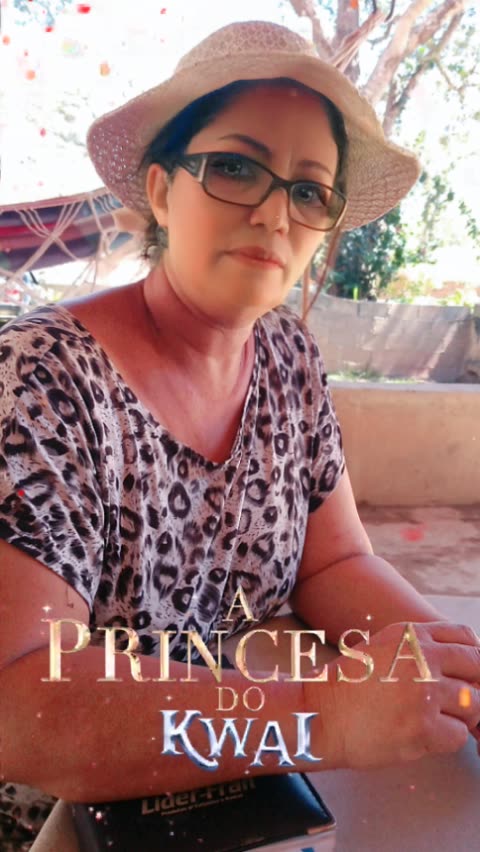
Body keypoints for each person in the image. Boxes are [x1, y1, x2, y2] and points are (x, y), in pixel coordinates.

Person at [0, 19, 479, 851]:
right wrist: (322, 713)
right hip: (68, 817)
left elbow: (335, 562)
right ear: (160, 190)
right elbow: (19, 702)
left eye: (309, 191)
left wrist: (446, 668)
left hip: (257, 775)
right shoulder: (40, 375)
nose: (273, 212)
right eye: (233, 166)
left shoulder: (289, 357)